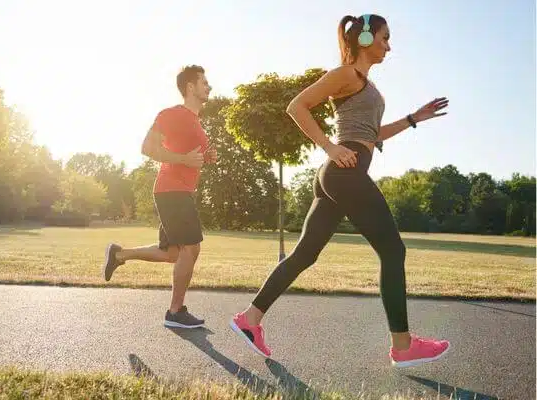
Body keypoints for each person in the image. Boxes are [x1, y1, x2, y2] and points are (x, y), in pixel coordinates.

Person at [230, 14, 451, 367]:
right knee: (393, 251)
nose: (388, 46)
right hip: (342, 171)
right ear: (365, 38)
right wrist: (329, 147)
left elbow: (371, 135)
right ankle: (403, 345)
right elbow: (296, 106)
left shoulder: (365, 83)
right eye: (384, 38)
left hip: (337, 175)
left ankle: (250, 319)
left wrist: (413, 119)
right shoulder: (346, 73)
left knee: (305, 254)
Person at [102, 65, 217, 329]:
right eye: (204, 82)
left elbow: (192, 156)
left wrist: (206, 158)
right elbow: (147, 148)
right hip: (171, 189)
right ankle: (175, 313)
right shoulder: (172, 115)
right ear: (190, 87)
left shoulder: (196, 122)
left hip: (181, 190)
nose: (209, 86)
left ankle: (119, 255)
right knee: (192, 248)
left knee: (172, 253)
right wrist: (184, 159)